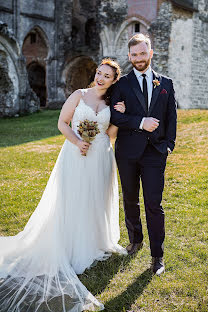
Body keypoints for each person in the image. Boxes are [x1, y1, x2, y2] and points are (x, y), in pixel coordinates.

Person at [0, 58, 126, 312]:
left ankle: (93, 241)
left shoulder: (110, 103)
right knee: (72, 198)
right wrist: (77, 141)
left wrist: (118, 117)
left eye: (107, 76)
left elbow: (110, 134)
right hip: (75, 153)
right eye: (99, 73)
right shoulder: (79, 95)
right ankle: (69, 244)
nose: (101, 78)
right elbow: (62, 123)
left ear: (113, 81)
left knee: (95, 199)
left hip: (101, 154)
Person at [110, 33, 177, 275]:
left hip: (155, 152)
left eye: (142, 53)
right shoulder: (121, 85)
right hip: (127, 152)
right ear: (129, 56)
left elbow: (171, 116)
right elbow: (115, 116)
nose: (139, 58)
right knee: (130, 200)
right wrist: (140, 122)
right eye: (134, 54)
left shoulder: (166, 83)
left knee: (154, 204)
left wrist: (169, 144)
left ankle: (157, 256)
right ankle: (135, 240)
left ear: (151, 53)